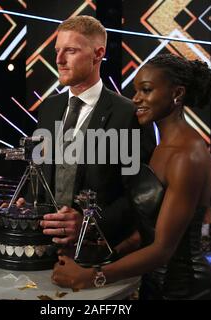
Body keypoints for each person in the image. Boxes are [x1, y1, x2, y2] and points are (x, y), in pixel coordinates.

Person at [52, 53, 211, 300]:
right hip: (154, 282)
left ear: (177, 93)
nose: (136, 98)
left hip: (185, 289)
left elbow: (163, 249)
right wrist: (113, 252)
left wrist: (93, 276)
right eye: (136, 90)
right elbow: (150, 228)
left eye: (147, 90)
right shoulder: (163, 147)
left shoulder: (188, 156)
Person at [17, 16, 156, 248]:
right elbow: (41, 171)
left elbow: (140, 197)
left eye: (70, 50)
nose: (59, 60)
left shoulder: (127, 113)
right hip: (45, 245)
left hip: (98, 251)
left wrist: (89, 223)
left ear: (98, 53)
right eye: (57, 50)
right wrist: (27, 204)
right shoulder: (49, 107)